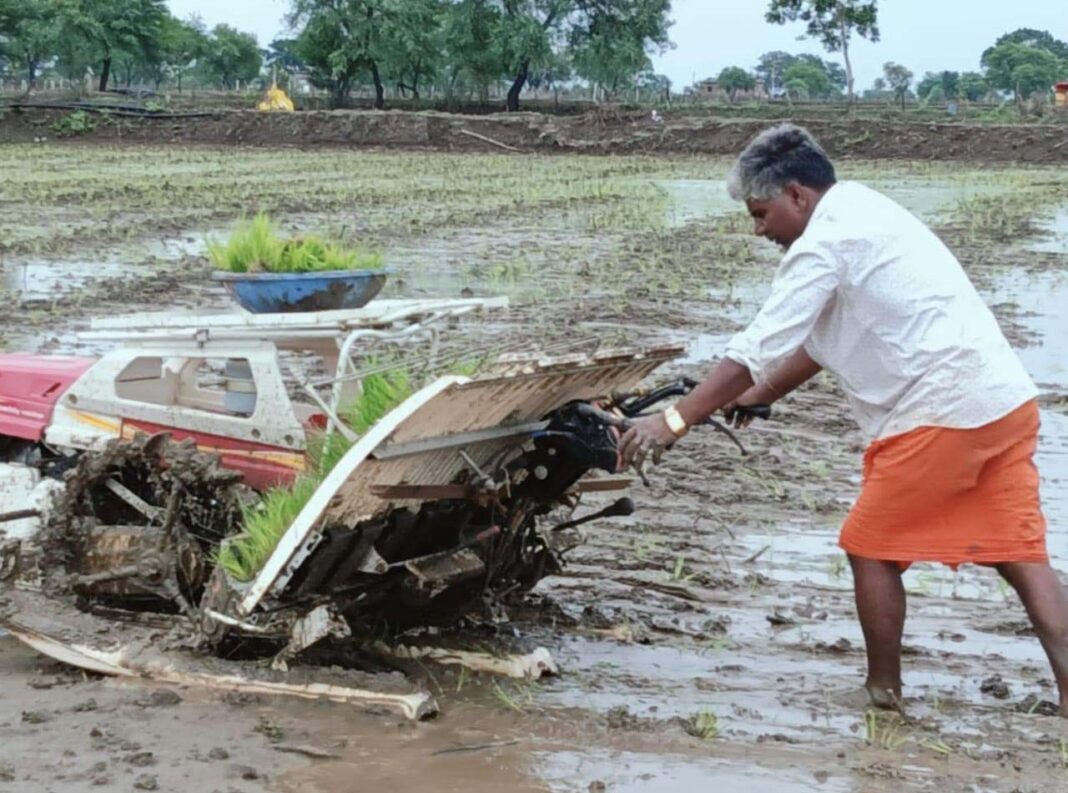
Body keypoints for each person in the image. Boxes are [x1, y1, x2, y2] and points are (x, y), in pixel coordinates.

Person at [620, 123, 1068, 715]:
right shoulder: (863, 207)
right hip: (1001, 405)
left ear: (797, 196)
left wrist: (672, 422)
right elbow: (817, 341)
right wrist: (762, 393)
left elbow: (757, 344)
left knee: (869, 546)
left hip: (942, 412)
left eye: (760, 214)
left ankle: (882, 691)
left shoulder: (821, 244)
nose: (759, 230)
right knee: (1021, 555)